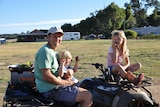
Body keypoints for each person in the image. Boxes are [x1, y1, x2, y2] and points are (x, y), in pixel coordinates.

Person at [34, 26, 92, 107]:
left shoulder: (52, 52)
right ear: (48, 37)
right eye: (55, 36)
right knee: (87, 95)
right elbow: (47, 76)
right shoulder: (45, 52)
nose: (58, 39)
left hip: (53, 87)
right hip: (50, 90)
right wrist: (65, 83)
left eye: (59, 36)